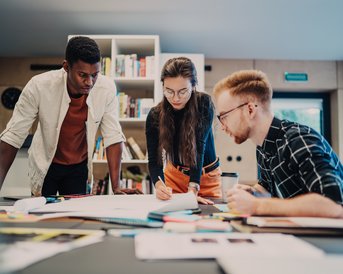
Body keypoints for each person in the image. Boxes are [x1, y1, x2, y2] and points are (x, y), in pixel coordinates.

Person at [0, 36, 141, 196]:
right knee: (42, 216)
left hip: (78, 167)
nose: (90, 82)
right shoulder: (39, 86)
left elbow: (113, 136)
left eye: (95, 75)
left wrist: (116, 187)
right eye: (83, 75)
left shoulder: (106, 88)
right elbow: (12, 136)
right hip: (46, 164)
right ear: (66, 67)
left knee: (74, 216)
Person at [213, 69, 343, 218]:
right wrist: (253, 192)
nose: (222, 126)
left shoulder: (298, 140)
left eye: (224, 116)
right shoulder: (263, 146)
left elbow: (333, 205)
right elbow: (268, 189)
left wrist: (256, 205)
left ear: (250, 109)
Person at [146, 57, 222, 205]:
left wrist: (192, 189)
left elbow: (198, 148)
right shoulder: (155, 115)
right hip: (174, 176)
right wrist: (159, 184)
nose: (175, 98)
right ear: (163, 86)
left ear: (193, 86)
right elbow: (154, 161)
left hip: (206, 178)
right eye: (169, 91)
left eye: (182, 91)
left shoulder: (203, 104)